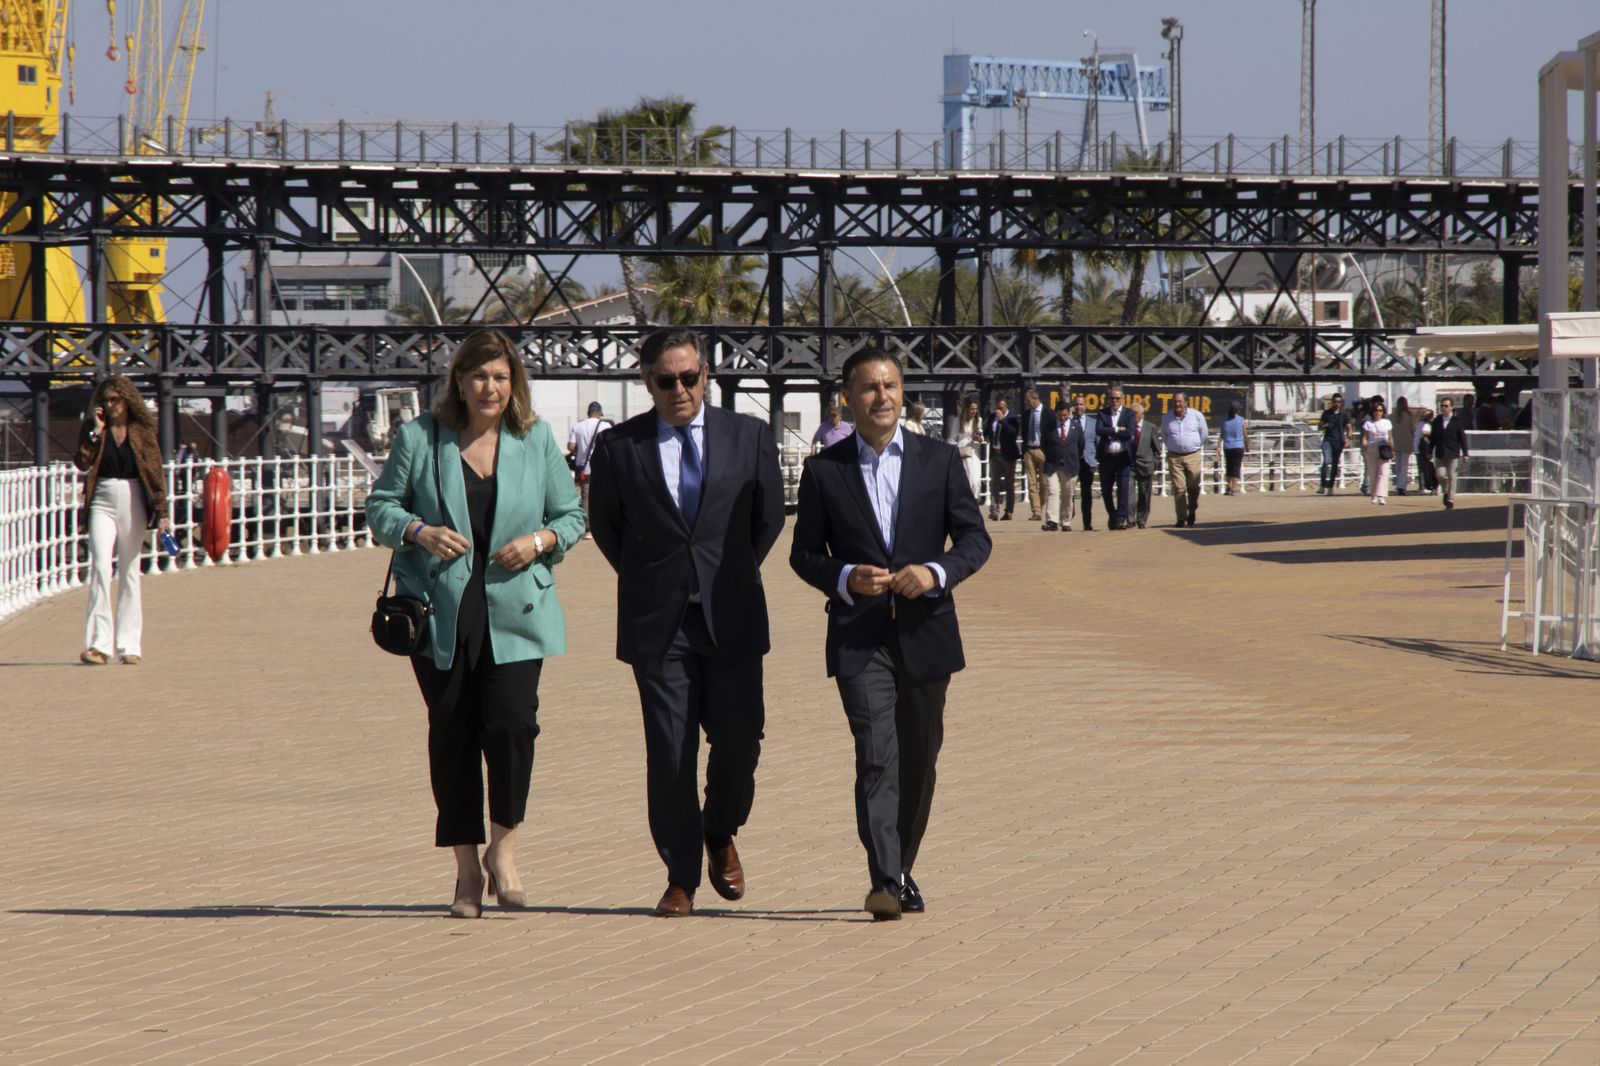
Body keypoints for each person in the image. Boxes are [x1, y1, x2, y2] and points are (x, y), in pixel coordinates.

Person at [366, 329, 587, 919]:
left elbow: (570, 516)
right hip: (440, 611)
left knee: (513, 726)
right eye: (479, 376)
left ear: (513, 383)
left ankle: (504, 851)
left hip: (517, 609)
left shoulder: (535, 439)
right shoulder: (421, 437)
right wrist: (419, 531)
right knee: (453, 734)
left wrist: (539, 541)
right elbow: (381, 507)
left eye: (500, 376)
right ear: (459, 381)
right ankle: (466, 869)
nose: (490, 387)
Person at [589, 327, 786, 917]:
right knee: (670, 752)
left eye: (689, 377)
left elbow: (768, 518)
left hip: (732, 619)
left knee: (739, 740)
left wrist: (722, 575)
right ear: (647, 382)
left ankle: (720, 829)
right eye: (665, 380)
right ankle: (680, 875)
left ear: (706, 375)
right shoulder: (619, 448)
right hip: (660, 624)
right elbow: (608, 528)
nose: (680, 389)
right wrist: (660, 577)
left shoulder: (749, 436)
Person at [789, 348, 991, 921]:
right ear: (847, 399)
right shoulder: (825, 471)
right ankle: (883, 879)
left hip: (928, 633)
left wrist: (935, 573)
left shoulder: (940, 460)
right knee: (876, 755)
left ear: (903, 394)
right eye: (870, 388)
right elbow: (804, 555)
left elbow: (975, 541)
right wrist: (846, 576)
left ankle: (900, 869)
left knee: (920, 761)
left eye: (891, 385)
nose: (882, 397)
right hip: (859, 636)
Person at [73, 375, 171, 666]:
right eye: (105, 400)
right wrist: (95, 431)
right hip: (101, 497)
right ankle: (98, 645)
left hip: (133, 497)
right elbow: (82, 462)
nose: (110, 405)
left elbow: (155, 470)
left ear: (127, 400)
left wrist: (162, 511)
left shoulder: (142, 429)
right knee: (101, 565)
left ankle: (129, 645)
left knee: (129, 569)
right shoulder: (95, 427)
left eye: (115, 400)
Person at [1040, 400, 1091, 531]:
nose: (1062, 418)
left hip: (1070, 465)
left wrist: (1072, 457)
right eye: (1059, 415)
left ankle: (1065, 521)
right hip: (1052, 465)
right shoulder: (1048, 427)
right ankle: (1052, 521)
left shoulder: (1076, 427)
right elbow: (1044, 444)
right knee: (1053, 491)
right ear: (1055, 414)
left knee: (1068, 494)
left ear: (1069, 413)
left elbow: (1080, 445)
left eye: (1064, 415)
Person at [1161, 391, 1208, 527]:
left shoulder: (1197, 416)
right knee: (1179, 488)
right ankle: (1181, 518)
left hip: (1193, 455)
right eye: (1175, 401)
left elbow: (1204, 434)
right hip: (1174, 456)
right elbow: (1164, 435)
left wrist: (1194, 446)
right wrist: (1173, 445)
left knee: (1193, 486)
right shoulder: (1167, 418)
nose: (1177, 404)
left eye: (1180, 401)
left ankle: (1192, 509)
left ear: (1186, 402)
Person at [1095, 385, 1137, 528]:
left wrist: (1110, 432)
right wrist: (1117, 429)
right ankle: (1112, 515)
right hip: (1107, 457)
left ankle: (1120, 518)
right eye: (1112, 398)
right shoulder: (1102, 413)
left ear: (1122, 399)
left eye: (1117, 398)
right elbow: (1099, 430)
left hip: (1123, 457)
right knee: (1106, 489)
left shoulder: (1129, 414)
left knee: (1123, 488)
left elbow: (1129, 432)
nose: (1114, 401)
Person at [566, 401, 611, 531]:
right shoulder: (606, 425)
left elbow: (570, 447)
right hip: (602, 468)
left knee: (586, 498)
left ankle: (588, 527)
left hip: (584, 469)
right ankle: (602, 524)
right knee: (602, 496)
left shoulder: (578, 426)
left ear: (588, 413)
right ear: (599, 413)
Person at [1431, 397, 1470, 510]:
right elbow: (1433, 437)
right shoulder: (1437, 420)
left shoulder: (1457, 421)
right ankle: (1445, 490)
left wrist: (1465, 452)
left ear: (1452, 407)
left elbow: (1462, 438)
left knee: (1452, 476)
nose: (1444, 408)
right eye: (1442, 405)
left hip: (1453, 452)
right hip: (1440, 452)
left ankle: (1450, 499)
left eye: (1446, 406)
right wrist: (1429, 450)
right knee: (1440, 475)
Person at [985, 397, 1020, 521]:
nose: (998, 410)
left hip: (1008, 456)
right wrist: (983, 436)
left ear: (1006, 407)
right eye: (997, 408)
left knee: (1009, 485)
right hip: (995, 454)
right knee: (995, 482)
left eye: (1001, 408)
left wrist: (1003, 420)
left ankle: (1009, 511)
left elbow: (1013, 433)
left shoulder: (1013, 418)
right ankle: (994, 510)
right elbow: (987, 431)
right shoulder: (991, 417)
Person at [1129, 402, 1160, 529]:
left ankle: (1142, 519)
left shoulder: (1150, 427)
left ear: (1141, 414)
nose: (1132, 416)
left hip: (1146, 465)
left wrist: (1154, 464)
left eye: (1135, 413)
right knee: (1128, 492)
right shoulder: (1126, 426)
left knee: (1144, 494)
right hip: (1129, 465)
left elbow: (1157, 449)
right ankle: (1130, 518)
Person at [1073, 396, 1100, 530]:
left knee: (1086, 493)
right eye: (1077, 405)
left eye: (1081, 404)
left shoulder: (1093, 423)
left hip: (1088, 462)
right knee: (1069, 491)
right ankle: (1067, 518)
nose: (1079, 407)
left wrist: (1096, 459)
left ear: (1085, 406)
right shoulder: (1069, 422)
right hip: (1073, 461)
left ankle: (1087, 522)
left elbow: (1097, 442)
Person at [1019, 389, 1046, 522]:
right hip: (1029, 450)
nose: (1026, 403)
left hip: (1043, 450)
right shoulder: (1026, 414)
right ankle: (1036, 511)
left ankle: (1040, 506)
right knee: (1031, 483)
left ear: (1035, 399)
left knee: (1044, 482)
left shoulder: (1047, 413)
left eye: (1028, 400)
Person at [1361, 397, 1394, 506]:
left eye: (1380, 410)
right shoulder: (1368, 424)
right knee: (1373, 472)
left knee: (1383, 472)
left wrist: (1392, 450)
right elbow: (1365, 438)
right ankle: (1374, 494)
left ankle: (1382, 495)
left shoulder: (1387, 422)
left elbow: (1390, 437)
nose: (1378, 413)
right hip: (1372, 448)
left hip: (1384, 447)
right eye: (1376, 410)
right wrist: (1364, 449)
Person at [1318, 393, 1350, 495]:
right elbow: (1320, 426)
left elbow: (1349, 429)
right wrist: (1324, 425)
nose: (1337, 403)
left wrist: (1347, 438)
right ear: (1332, 402)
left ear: (1342, 402)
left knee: (1335, 464)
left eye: (1339, 402)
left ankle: (1330, 487)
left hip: (1339, 442)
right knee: (1326, 461)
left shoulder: (1344, 415)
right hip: (1327, 440)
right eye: (1335, 401)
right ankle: (1323, 485)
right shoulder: (1326, 413)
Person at [953, 396, 984, 502]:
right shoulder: (958, 420)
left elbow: (981, 435)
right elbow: (952, 438)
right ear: (966, 408)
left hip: (974, 452)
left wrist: (979, 439)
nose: (974, 411)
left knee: (975, 480)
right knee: (966, 479)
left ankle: (973, 501)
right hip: (963, 452)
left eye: (975, 409)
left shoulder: (978, 420)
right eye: (971, 409)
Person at [1220, 402, 1247, 496]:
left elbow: (1222, 434)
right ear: (1238, 410)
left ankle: (1228, 487)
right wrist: (1247, 446)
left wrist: (1218, 447)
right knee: (1236, 467)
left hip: (1227, 446)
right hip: (1238, 446)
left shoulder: (1225, 420)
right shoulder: (1241, 420)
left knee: (1229, 467)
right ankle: (1234, 488)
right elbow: (1245, 434)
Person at [1390, 396, 1416, 495]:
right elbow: (1413, 429)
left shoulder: (1391, 416)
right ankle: (1401, 486)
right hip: (1406, 442)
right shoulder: (1409, 416)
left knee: (1398, 465)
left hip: (1395, 442)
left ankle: (1398, 485)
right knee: (1404, 465)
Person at [1414, 408, 1438, 494]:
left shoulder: (1419, 423)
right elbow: (1425, 432)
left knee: (1422, 468)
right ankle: (1424, 486)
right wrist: (1436, 434)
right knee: (1425, 468)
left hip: (1418, 448)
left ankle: (1422, 486)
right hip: (1423, 448)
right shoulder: (1425, 424)